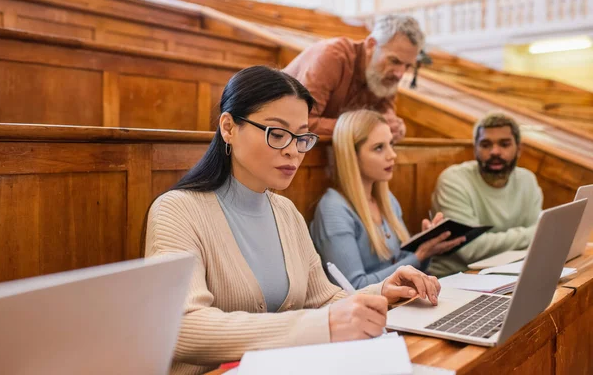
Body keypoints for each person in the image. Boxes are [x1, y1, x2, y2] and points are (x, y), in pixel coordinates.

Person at [144, 66, 441, 375]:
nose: (293, 151)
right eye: (277, 134)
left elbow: (323, 299)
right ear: (229, 127)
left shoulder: (286, 212)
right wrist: (320, 326)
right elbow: (184, 325)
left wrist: (381, 293)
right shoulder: (176, 210)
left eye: (301, 137)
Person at [310, 109, 465, 289]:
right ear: (352, 155)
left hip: (401, 302)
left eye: (391, 144)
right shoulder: (333, 208)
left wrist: (427, 246)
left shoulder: (386, 199)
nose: (392, 155)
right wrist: (419, 255)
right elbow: (353, 287)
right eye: (379, 148)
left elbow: (406, 268)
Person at [428, 112, 543, 277]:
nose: (495, 152)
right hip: (455, 278)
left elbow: (538, 242)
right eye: (486, 144)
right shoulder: (453, 180)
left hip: (508, 273)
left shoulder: (528, 180)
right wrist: (533, 234)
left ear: (518, 149)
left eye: (504, 144)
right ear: (475, 148)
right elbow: (471, 249)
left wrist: (537, 235)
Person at [283, 14, 425, 140]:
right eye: (394, 61)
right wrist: (362, 128)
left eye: (407, 66)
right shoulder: (332, 57)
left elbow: (384, 121)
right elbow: (301, 123)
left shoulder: (385, 77)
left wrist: (395, 128)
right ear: (371, 45)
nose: (400, 74)